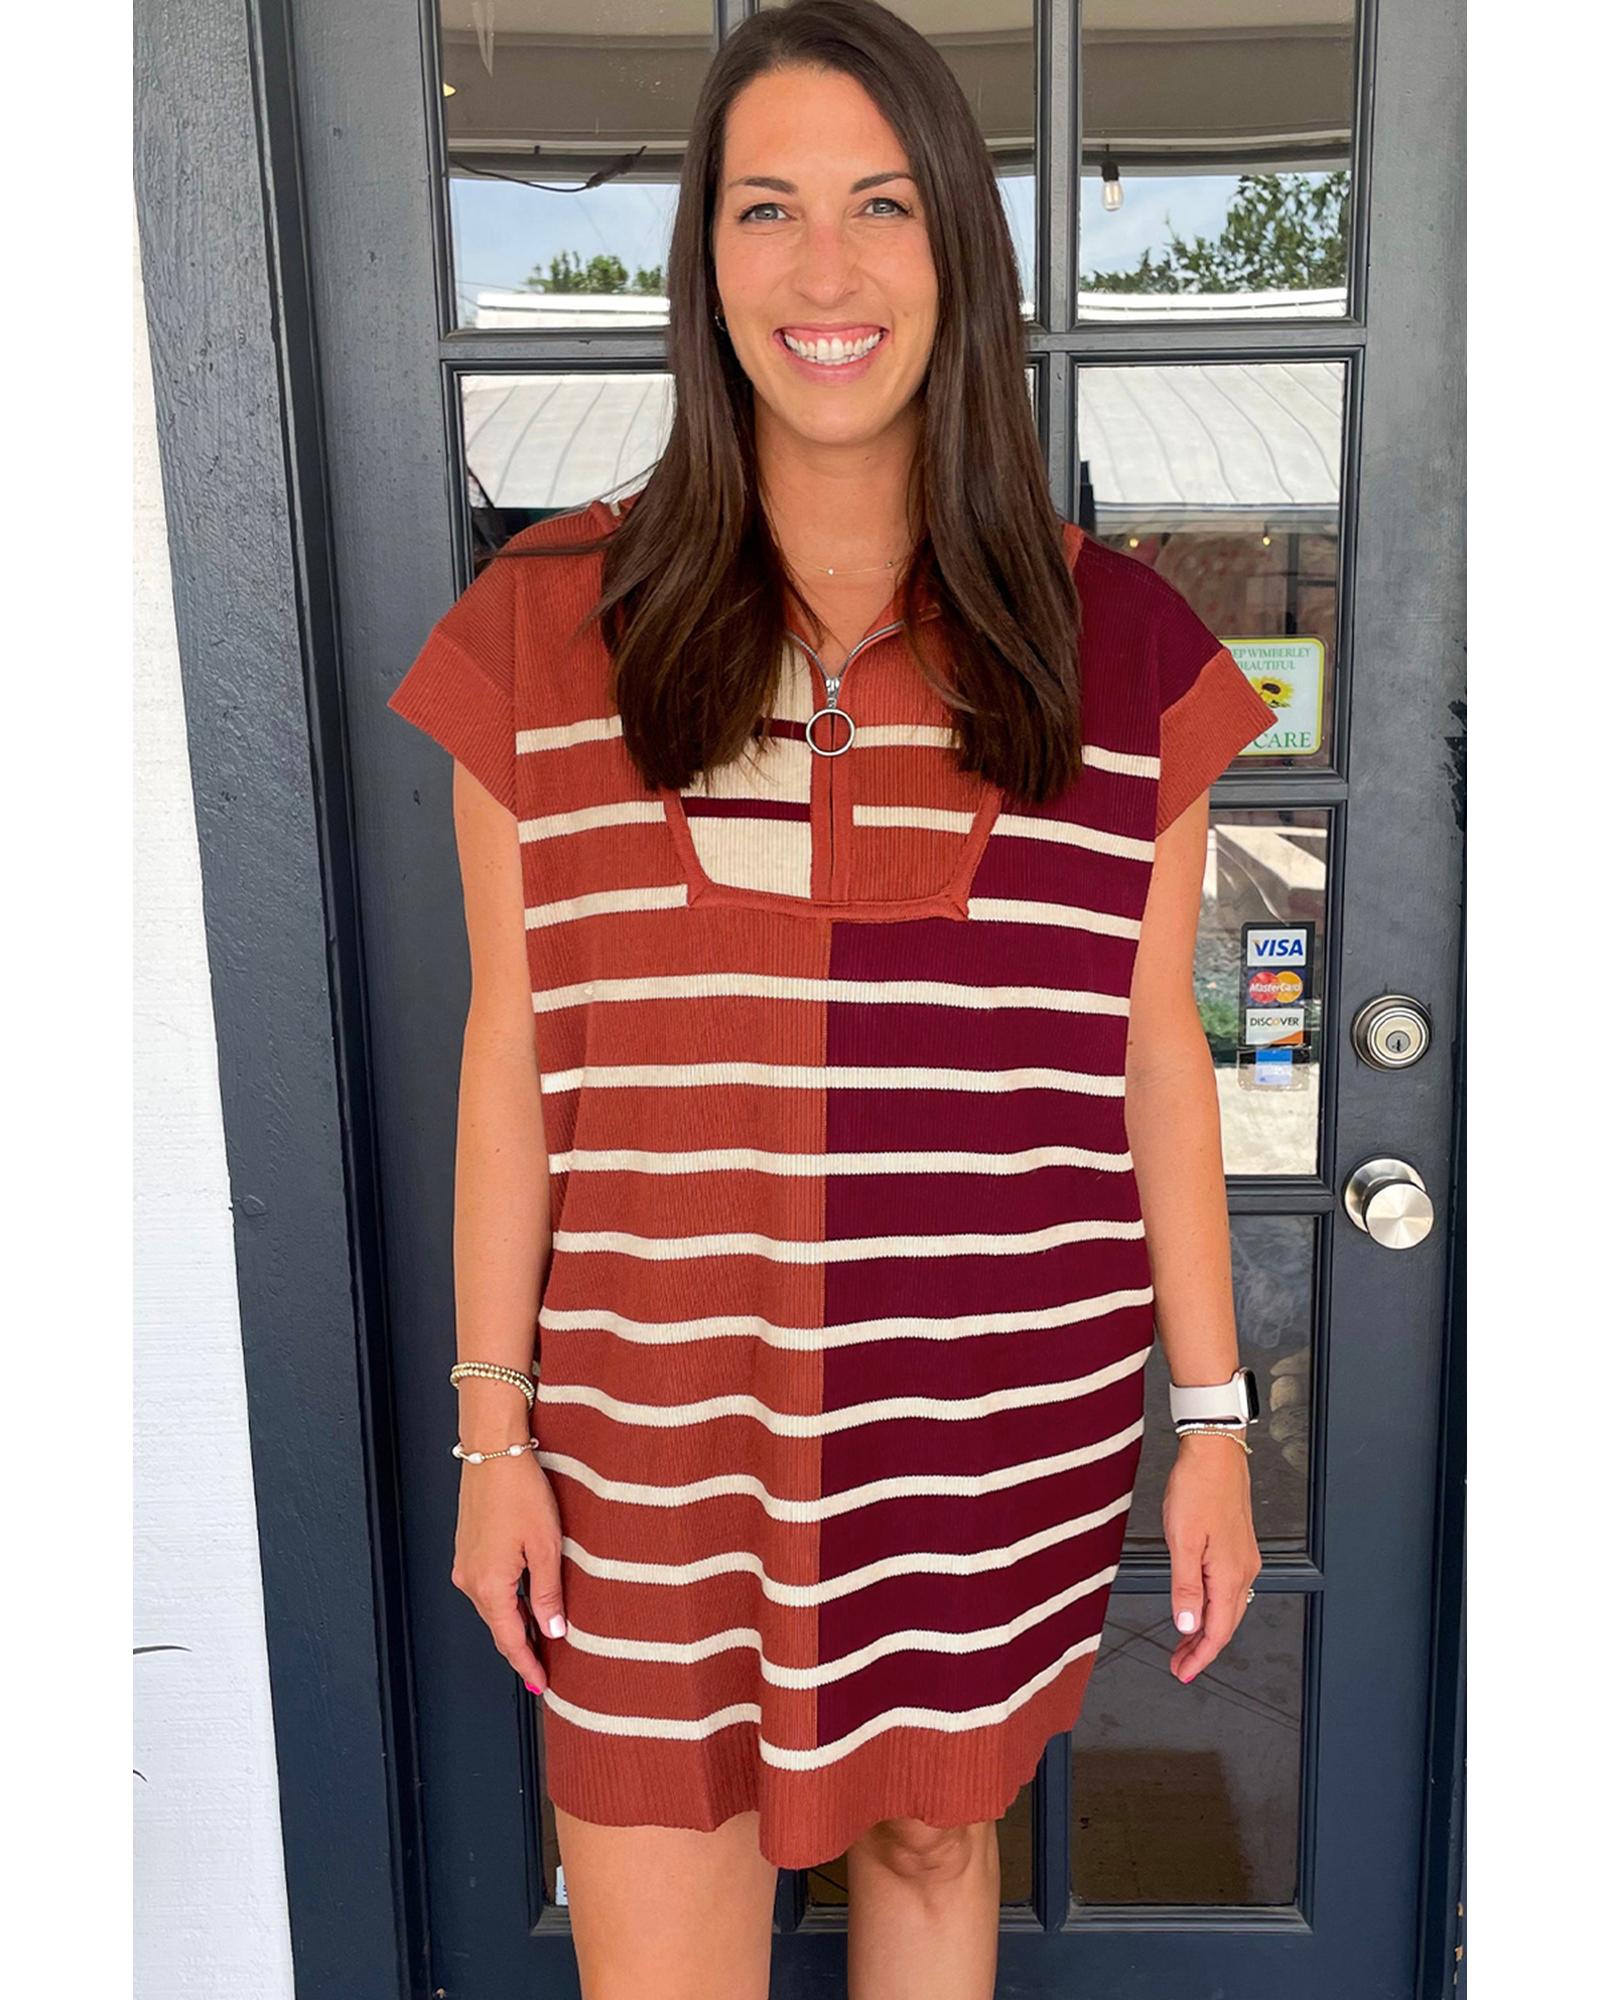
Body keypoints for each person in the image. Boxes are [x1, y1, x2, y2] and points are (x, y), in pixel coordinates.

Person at [387, 3, 1272, 1994]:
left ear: (957, 244)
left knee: (936, 1835)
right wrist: (491, 1433)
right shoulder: (540, 632)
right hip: (648, 1439)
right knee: (656, 1905)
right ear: (702, 259)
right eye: (764, 207)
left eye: (880, 205)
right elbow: (516, 1051)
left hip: (986, 1421)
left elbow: (1152, 1051)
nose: (823, 269)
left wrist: (1211, 1421)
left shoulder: (1121, 650)